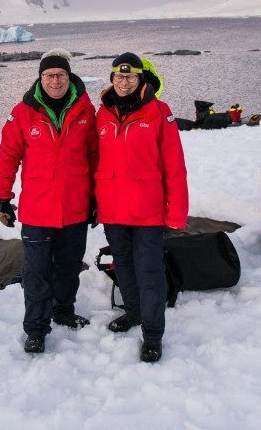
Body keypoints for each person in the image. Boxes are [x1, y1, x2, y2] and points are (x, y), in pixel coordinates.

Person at [0, 49, 98, 355]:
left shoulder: (84, 109)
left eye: (60, 75)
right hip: (37, 209)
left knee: (67, 268)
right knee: (37, 272)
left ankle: (63, 311)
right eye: (49, 75)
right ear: (40, 78)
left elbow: (95, 156)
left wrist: (96, 199)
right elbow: (8, 157)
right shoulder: (23, 112)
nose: (55, 80)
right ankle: (36, 329)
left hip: (75, 207)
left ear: (69, 77)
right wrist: (1, 198)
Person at [95, 52, 188, 362]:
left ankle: (152, 333)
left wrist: (176, 211)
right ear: (112, 79)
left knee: (149, 270)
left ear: (140, 79)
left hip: (147, 208)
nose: (124, 82)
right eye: (119, 77)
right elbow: (94, 161)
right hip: (112, 208)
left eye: (130, 76)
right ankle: (133, 312)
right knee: (123, 264)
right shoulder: (103, 114)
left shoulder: (159, 112)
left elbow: (174, 165)